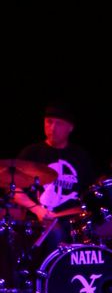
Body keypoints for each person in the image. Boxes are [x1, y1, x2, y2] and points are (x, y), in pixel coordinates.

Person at [14, 102, 97, 253]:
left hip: (73, 221)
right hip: (39, 221)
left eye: (58, 124)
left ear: (70, 128)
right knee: (56, 233)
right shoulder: (31, 153)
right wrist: (37, 209)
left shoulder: (80, 156)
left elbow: (91, 192)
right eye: (49, 122)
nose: (52, 128)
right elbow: (15, 190)